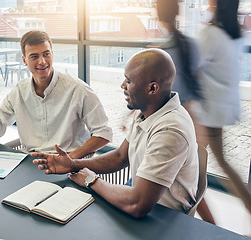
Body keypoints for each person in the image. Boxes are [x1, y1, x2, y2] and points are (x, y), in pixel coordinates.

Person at [32, 49, 199, 217]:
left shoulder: (170, 130)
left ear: (152, 88)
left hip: (164, 216)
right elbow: (120, 157)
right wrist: (73, 164)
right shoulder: (148, 111)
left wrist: (91, 180)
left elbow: (138, 204)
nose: (122, 86)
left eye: (129, 80)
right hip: (142, 196)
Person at [0, 30, 112, 159]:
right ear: (24, 60)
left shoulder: (78, 89)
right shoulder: (19, 91)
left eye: (46, 54)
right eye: (34, 56)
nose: (42, 61)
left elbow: (104, 133)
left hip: (71, 166)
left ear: (52, 54)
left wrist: (71, 158)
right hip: (31, 163)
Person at [156, 0, 215, 224]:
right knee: (195, 185)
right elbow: (200, 79)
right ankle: (213, 228)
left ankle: (213, 230)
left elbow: (156, 95)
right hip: (196, 119)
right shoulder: (191, 44)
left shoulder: (162, 53)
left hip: (177, 124)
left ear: (160, 18)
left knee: (186, 188)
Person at [194, 0, 251, 216]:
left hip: (207, 109)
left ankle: (199, 216)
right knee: (214, 160)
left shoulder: (210, 34)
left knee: (193, 163)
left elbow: (194, 67)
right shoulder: (236, 33)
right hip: (222, 105)